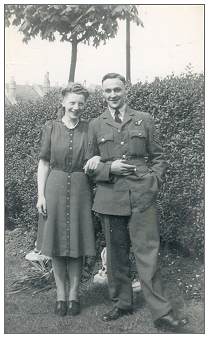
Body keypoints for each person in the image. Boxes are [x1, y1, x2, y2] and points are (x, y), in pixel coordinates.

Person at [84, 73, 187, 331]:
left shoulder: (144, 119)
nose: (112, 95)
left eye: (117, 90)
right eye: (107, 91)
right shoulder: (95, 125)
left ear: (125, 90)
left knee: (148, 254)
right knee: (116, 256)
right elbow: (87, 165)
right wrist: (110, 168)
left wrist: (153, 182)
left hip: (142, 197)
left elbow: (159, 158)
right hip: (110, 198)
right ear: (102, 93)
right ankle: (122, 303)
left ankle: (162, 313)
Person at [36, 83, 99, 317]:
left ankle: (74, 296)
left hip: (82, 189)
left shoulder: (89, 128)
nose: (76, 107)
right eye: (72, 102)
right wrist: (40, 195)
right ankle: (60, 296)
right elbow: (43, 162)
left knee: (77, 245)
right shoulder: (51, 127)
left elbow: (97, 157)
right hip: (54, 188)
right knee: (56, 246)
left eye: (81, 103)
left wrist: (96, 160)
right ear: (63, 102)